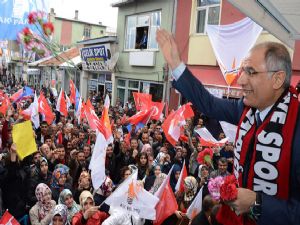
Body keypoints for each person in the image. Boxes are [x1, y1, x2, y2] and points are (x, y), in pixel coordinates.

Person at [156, 29, 300, 224]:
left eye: (251, 72)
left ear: (277, 79)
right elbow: (209, 103)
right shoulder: (245, 109)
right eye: (242, 71)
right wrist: (176, 64)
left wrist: (258, 204)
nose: (240, 80)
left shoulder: (296, 127)